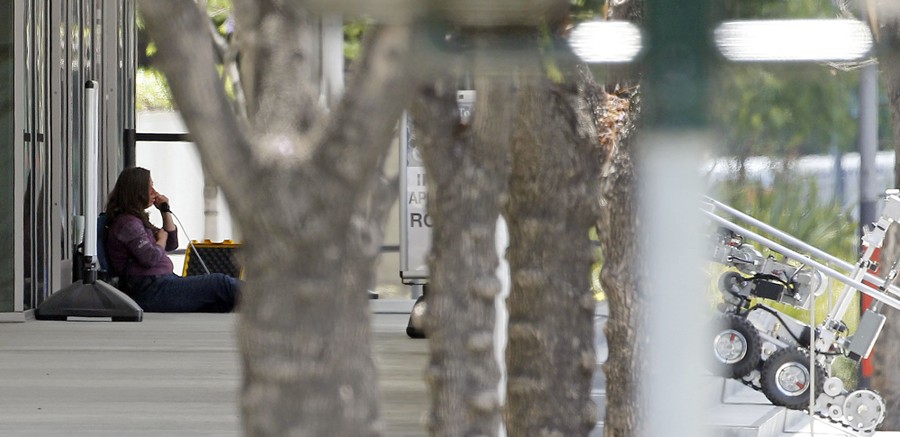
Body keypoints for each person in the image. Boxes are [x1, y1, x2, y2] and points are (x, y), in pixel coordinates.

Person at [104, 167, 239, 312]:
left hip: (162, 282)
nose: (154, 192)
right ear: (137, 191)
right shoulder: (128, 224)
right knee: (220, 283)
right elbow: (151, 258)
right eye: (149, 188)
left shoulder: (136, 220)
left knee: (223, 302)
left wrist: (164, 211)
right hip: (150, 289)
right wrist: (161, 240)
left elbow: (171, 243)